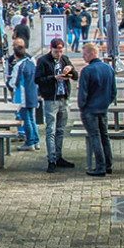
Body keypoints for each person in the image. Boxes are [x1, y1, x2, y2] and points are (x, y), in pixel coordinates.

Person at [35, 37, 77, 173]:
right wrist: (54, 77)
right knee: (50, 130)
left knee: (60, 129)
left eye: (60, 51)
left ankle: (59, 156)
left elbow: (75, 76)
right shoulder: (43, 61)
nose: (58, 54)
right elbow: (38, 79)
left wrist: (71, 70)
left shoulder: (64, 59)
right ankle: (51, 159)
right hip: (51, 99)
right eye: (55, 51)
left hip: (63, 98)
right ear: (51, 49)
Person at [77, 42, 116, 177]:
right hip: (103, 107)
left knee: (95, 136)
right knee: (104, 135)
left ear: (91, 54)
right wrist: (106, 103)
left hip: (90, 109)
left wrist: (82, 107)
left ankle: (100, 166)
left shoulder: (87, 71)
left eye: (85, 54)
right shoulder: (108, 69)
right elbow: (113, 91)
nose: (83, 57)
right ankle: (108, 164)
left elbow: (83, 92)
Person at [9, 44, 39, 151]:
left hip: (23, 95)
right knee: (31, 118)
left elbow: (14, 82)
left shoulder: (19, 66)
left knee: (25, 119)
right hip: (32, 93)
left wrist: (10, 83)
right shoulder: (32, 63)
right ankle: (36, 140)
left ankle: (29, 141)